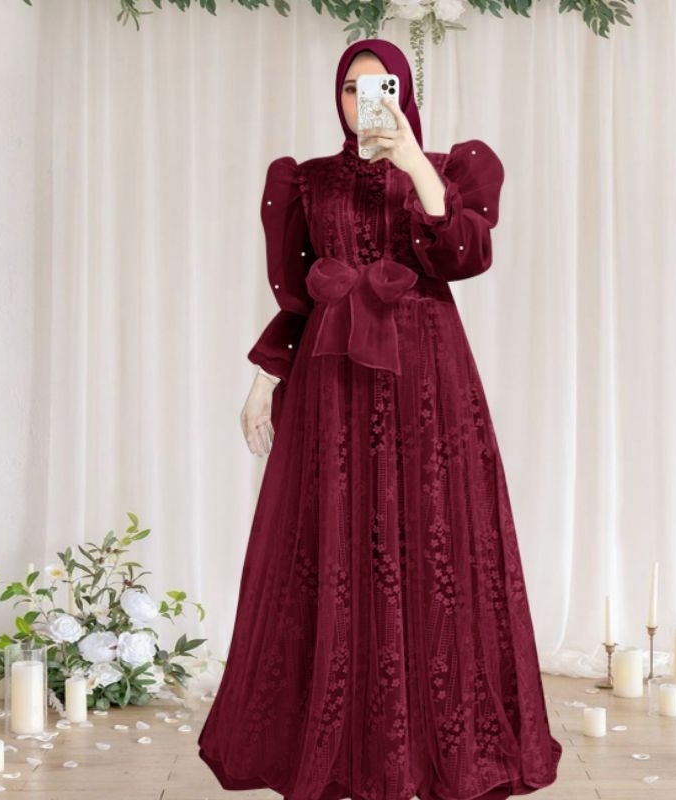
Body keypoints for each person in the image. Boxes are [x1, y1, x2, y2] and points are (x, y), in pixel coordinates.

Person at [198, 38, 562, 800]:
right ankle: (339, 733)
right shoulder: (306, 180)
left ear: (403, 93)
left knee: (433, 533)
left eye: (382, 87)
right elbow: (298, 294)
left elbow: (465, 256)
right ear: (335, 97)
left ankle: (431, 739)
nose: (365, 102)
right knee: (333, 535)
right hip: (331, 378)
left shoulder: (449, 169)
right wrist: (263, 379)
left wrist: (415, 165)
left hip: (428, 378)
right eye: (351, 89)